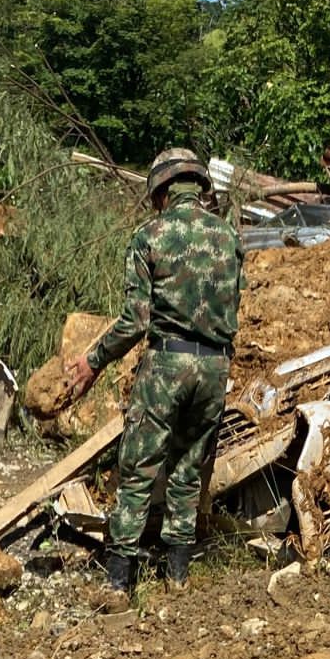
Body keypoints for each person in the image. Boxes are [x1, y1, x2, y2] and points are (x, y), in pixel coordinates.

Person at [64, 148, 243, 604]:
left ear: (161, 192)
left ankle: (120, 581)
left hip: (167, 365)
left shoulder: (150, 236)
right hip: (215, 367)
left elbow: (136, 320)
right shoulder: (229, 237)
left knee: (139, 468)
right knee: (187, 470)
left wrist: (93, 361)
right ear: (198, 186)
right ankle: (178, 576)